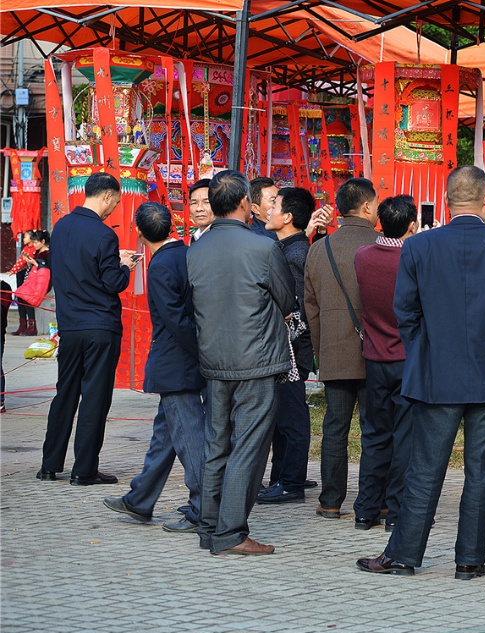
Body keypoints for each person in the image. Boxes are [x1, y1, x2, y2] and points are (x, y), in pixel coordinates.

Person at [357, 166, 485, 579]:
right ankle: (470, 560)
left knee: (424, 468)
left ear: (447, 199)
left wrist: (425, 353)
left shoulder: (419, 247)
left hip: (437, 373)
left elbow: (407, 312)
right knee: (480, 471)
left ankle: (403, 555)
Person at [187, 170, 295, 555]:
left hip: (215, 359)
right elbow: (287, 299)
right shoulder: (262, 248)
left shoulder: (195, 250)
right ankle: (231, 532)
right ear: (244, 204)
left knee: (217, 445)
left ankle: (210, 526)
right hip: (257, 359)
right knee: (248, 445)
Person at [103, 203, 205, 533]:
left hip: (177, 363)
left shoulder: (160, 264)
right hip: (184, 360)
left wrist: (200, 352)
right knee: (165, 436)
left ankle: (204, 508)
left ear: (141, 233)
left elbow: (175, 320)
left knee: (190, 439)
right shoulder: (185, 254)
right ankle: (140, 498)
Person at [38, 173, 136, 485]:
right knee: (94, 397)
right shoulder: (104, 234)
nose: (113, 210)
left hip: (69, 325)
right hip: (99, 327)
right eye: (115, 203)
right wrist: (125, 267)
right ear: (106, 196)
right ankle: (84, 469)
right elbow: (112, 282)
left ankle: (49, 465)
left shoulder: (61, 227)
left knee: (64, 393)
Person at [305, 177, 379, 519]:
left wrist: (323, 350)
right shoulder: (384, 244)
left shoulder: (319, 249)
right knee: (375, 429)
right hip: (377, 351)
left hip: (334, 350)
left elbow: (311, 307)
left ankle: (331, 501)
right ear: (366, 206)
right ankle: (373, 500)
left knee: (335, 429)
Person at [352, 194, 417, 531]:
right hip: (406, 358)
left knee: (375, 434)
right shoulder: (413, 259)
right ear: (412, 225)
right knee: (404, 436)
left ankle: (365, 509)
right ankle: (396, 510)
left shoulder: (363, 257)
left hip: (374, 356)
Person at [257, 187, 318, 505]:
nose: (269, 210)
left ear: (288, 217)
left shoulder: (295, 255)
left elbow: (297, 312)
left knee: (292, 417)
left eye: (275, 205)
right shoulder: (285, 249)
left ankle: (291, 481)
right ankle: (280, 478)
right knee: (282, 416)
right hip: (284, 348)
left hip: (291, 350)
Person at [7, 229, 50, 335]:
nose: (34, 245)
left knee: (27, 296)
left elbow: (47, 270)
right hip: (34, 280)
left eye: (36, 242)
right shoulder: (36, 253)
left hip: (43, 282)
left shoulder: (48, 254)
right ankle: (23, 324)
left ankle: (32, 326)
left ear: (43, 242)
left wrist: (35, 263)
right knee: (20, 294)